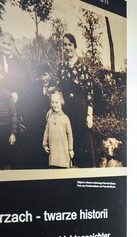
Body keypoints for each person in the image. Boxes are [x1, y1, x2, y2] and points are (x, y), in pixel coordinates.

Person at [57, 33, 96, 168]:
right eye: (65, 44)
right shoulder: (61, 67)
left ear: (75, 46)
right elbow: (59, 87)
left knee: (82, 141)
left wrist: (89, 115)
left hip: (81, 109)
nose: (67, 47)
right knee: (68, 138)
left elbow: (90, 93)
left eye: (70, 44)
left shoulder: (83, 67)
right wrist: (61, 98)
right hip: (67, 109)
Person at [43, 90, 74, 168]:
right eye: (53, 102)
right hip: (53, 150)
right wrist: (44, 144)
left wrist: (70, 149)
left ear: (61, 103)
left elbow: (70, 134)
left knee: (63, 168)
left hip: (63, 150)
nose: (55, 105)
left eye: (57, 102)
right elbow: (46, 131)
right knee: (53, 168)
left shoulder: (65, 118)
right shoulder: (50, 116)